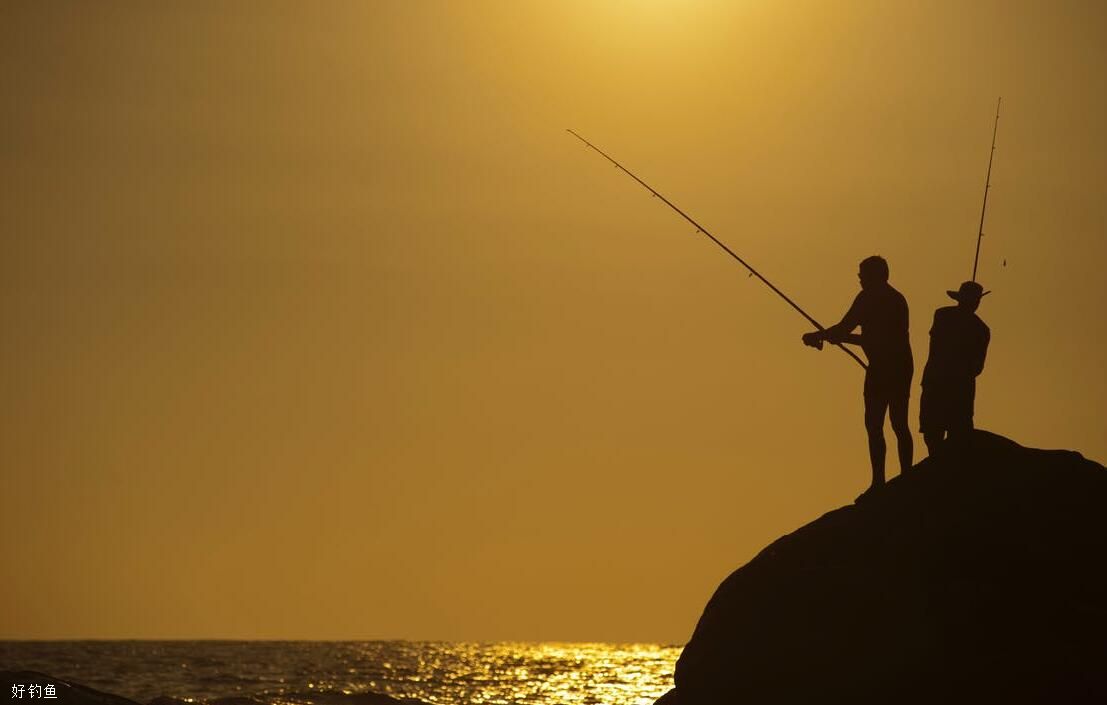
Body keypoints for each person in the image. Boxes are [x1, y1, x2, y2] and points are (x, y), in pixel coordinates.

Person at [802, 256, 914, 498]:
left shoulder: (893, 301)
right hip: (882, 367)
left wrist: (823, 336)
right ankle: (879, 482)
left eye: (864, 274)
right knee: (874, 424)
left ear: (879, 275)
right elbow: (845, 328)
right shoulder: (872, 299)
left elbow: (870, 338)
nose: (860, 279)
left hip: (896, 368)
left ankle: (906, 477)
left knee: (897, 422)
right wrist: (825, 335)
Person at [919, 281, 991, 455]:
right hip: (956, 387)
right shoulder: (980, 328)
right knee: (945, 433)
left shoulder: (943, 315)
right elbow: (977, 368)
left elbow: (935, 346)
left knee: (936, 432)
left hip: (941, 383)